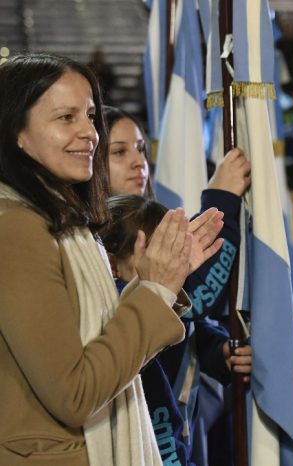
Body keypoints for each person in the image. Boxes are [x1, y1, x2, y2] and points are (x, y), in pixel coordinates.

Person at [0, 52, 222, 465]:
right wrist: (154, 292)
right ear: (16, 132)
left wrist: (161, 281)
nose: (89, 133)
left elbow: (94, 339)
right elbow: (75, 393)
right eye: (66, 117)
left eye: (89, 115)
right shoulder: (16, 229)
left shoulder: (57, 222)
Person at [102, 105, 253, 464]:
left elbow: (187, 316)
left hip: (177, 428)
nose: (138, 161)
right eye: (119, 152)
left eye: (141, 148)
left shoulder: (151, 217)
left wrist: (219, 353)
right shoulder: (83, 239)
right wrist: (220, 202)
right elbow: (179, 299)